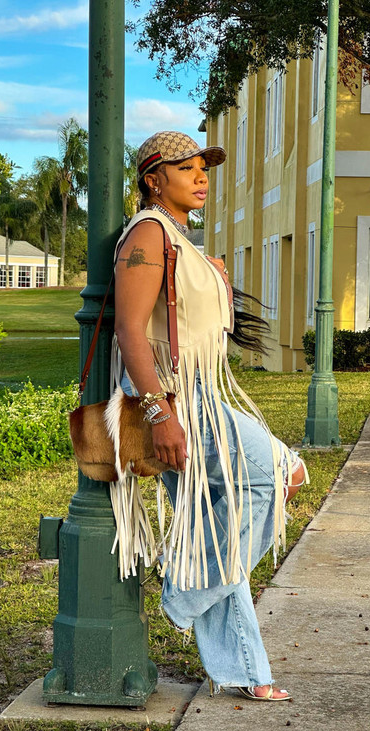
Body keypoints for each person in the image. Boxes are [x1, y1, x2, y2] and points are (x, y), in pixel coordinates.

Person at [111, 131, 307, 701]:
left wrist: (210, 277)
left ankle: (245, 669)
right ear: (154, 179)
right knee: (279, 473)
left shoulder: (177, 238)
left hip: (197, 393)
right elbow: (130, 331)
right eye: (187, 168)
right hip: (173, 398)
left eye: (204, 168)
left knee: (210, 521)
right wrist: (158, 414)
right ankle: (187, 585)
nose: (201, 176)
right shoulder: (148, 234)